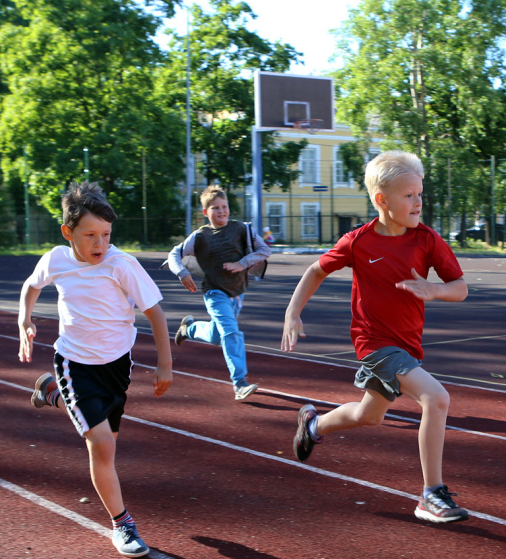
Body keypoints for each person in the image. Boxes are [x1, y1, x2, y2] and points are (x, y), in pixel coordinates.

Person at [281, 150, 470, 524]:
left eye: (420, 194)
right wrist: (292, 313)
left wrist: (433, 291)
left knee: (369, 416)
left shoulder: (426, 240)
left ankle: (313, 425)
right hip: (374, 343)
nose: (418, 203)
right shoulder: (358, 242)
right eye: (409, 196)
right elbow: (316, 270)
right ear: (382, 200)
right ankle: (431, 494)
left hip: (407, 343)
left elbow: (460, 287)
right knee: (436, 398)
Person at [17, 181, 173, 558]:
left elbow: (154, 311)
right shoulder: (56, 259)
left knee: (109, 445)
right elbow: (30, 285)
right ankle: (123, 524)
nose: (99, 244)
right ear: (68, 233)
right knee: (101, 445)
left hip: (117, 366)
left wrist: (165, 362)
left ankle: (52, 395)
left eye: (105, 234)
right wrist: (25, 320)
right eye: (90, 235)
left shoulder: (122, 265)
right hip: (73, 362)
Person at [166, 185, 271, 401]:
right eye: (215, 208)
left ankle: (190, 329)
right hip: (214, 292)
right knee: (231, 332)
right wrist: (182, 273)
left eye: (224, 207)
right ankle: (240, 382)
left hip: (237, 293)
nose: (221, 211)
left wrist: (242, 263)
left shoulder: (242, 229)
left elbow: (264, 251)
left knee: (217, 335)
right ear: (205, 212)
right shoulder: (200, 236)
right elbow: (174, 254)